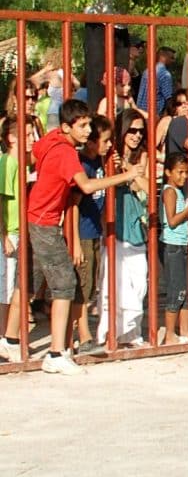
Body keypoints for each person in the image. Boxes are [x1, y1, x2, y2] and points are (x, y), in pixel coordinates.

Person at [0, 100, 142, 374]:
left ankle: (10, 340)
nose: (88, 130)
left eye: (89, 124)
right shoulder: (66, 153)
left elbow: (35, 155)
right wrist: (126, 175)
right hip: (45, 222)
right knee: (64, 283)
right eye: (83, 125)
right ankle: (55, 353)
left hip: (36, 217)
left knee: (27, 282)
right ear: (67, 127)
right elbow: (86, 185)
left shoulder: (51, 139)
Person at [95, 114, 150, 349]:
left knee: (139, 283)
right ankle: (110, 334)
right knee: (112, 282)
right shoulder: (108, 153)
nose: (137, 135)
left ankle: (131, 332)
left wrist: (127, 169)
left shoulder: (141, 156)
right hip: (113, 225)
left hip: (135, 225)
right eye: (132, 130)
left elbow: (146, 186)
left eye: (140, 131)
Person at [70, 116, 114, 355]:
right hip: (83, 233)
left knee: (88, 287)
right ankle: (83, 336)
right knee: (81, 287)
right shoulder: (83, 165)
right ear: (91, 142)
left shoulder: (99, 161)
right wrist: (75, 241)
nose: (109, 145)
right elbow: (74, 204)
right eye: (105, 141)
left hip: (93, 231)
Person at [0, 117, 34, 334]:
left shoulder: (20, 162)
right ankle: (3, 336)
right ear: (12, 138)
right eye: (28, 134)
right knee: (5, 288)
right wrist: (4, 235)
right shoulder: (7, 163)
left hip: (17, 231)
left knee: (12, 286)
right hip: (9, 234)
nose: (32, 139)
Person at [160, 152, 188, 345]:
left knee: (185, 290)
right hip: (173, 246)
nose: (184, 176)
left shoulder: (178, 191)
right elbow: (171, 221)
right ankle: (170, 333)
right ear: (168, 172)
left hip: (182, 244)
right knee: (176, 290)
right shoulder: (170, 191)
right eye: (179, 172)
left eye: (186, 173)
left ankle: (185, 331)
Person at [136, 46, 176, 117]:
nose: (173, 61)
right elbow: (168, 99)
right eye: (171, 58)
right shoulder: (165, 74)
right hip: (153, 115)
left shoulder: (147, 71)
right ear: (163, 57)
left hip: (140, 112)